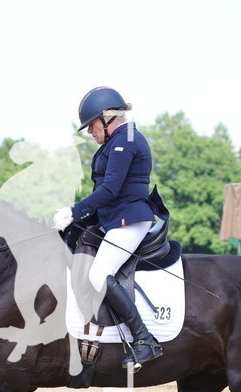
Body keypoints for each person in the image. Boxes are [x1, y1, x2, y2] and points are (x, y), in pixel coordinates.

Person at [52, 86, 162, 370]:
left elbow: (111, 190)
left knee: (100, 274)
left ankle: (144, 340)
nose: (89, 132)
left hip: (130, 220)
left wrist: (75, 211)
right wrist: (74, 222)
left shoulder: (127, 141)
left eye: (90, 126)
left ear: (106, 118)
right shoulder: (112, 145)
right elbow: (102, 196)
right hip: (113, 218)